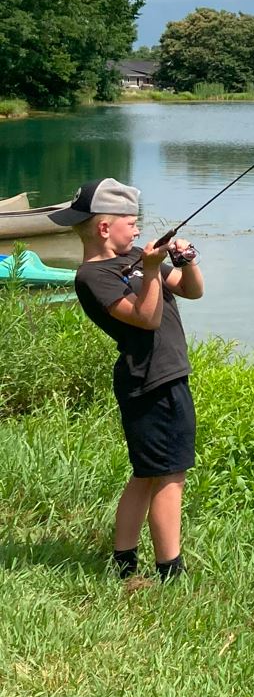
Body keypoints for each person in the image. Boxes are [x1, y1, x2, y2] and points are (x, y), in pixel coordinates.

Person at [50, 179, 204, 581]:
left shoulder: (135, 256)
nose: (137, 231)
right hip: (153, 381)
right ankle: (171, 573)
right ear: (104, 228)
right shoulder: (91, 277)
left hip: (159, 377)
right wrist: (151, 271)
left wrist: (185, 260)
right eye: (131, 223)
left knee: (146, 474)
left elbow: (192, 292)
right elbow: (146, 318)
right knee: (170, 476)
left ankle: (123, 562)